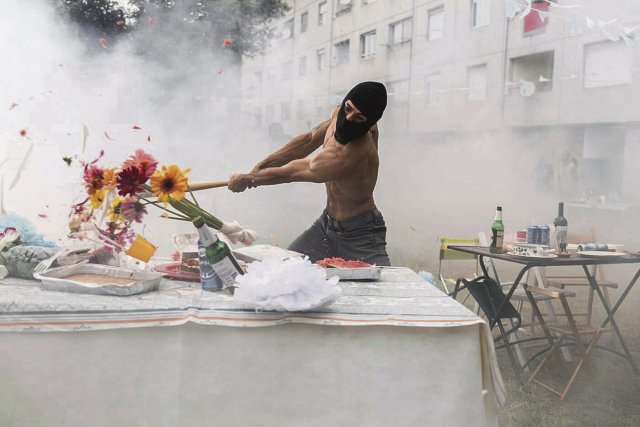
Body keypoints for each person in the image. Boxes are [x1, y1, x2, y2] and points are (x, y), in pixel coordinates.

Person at [227, 81, 391, 266]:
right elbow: (307, 141)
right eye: (349, 108)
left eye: (359, 117)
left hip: (360, 234)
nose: (350, 117)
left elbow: (290, 173)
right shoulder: (339, 114)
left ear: (371, 122)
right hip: (326, 225)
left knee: (386, 288)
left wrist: (251, 179)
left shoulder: (348, 155)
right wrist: (256, 170)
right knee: (287, 269)